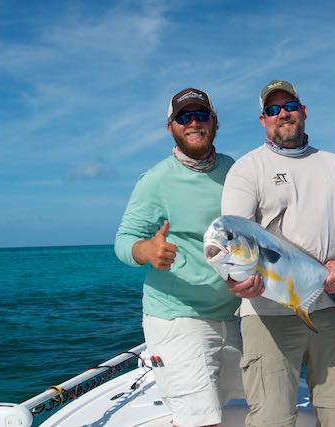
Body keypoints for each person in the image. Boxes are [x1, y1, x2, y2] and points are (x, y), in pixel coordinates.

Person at [221, 80, 335, 427]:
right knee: (272, 420)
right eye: (273, 110)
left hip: (329, 308)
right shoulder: (247, 169)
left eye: (289, 106)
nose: (283, 114)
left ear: (303, 111)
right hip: (266, 313)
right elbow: (233, 237)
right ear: (263, 120)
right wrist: (234, 280)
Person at [114, 87, 262, 427]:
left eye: (201, 115)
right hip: (177, 316)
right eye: (184, 117)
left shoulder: (234, 171)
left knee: (240, 407)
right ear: (171, 127)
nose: (193, 122)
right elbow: (123, 241)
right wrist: (145, 251)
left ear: (215, 123)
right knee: (200, 419)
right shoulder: (156, 181)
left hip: (234, 315)